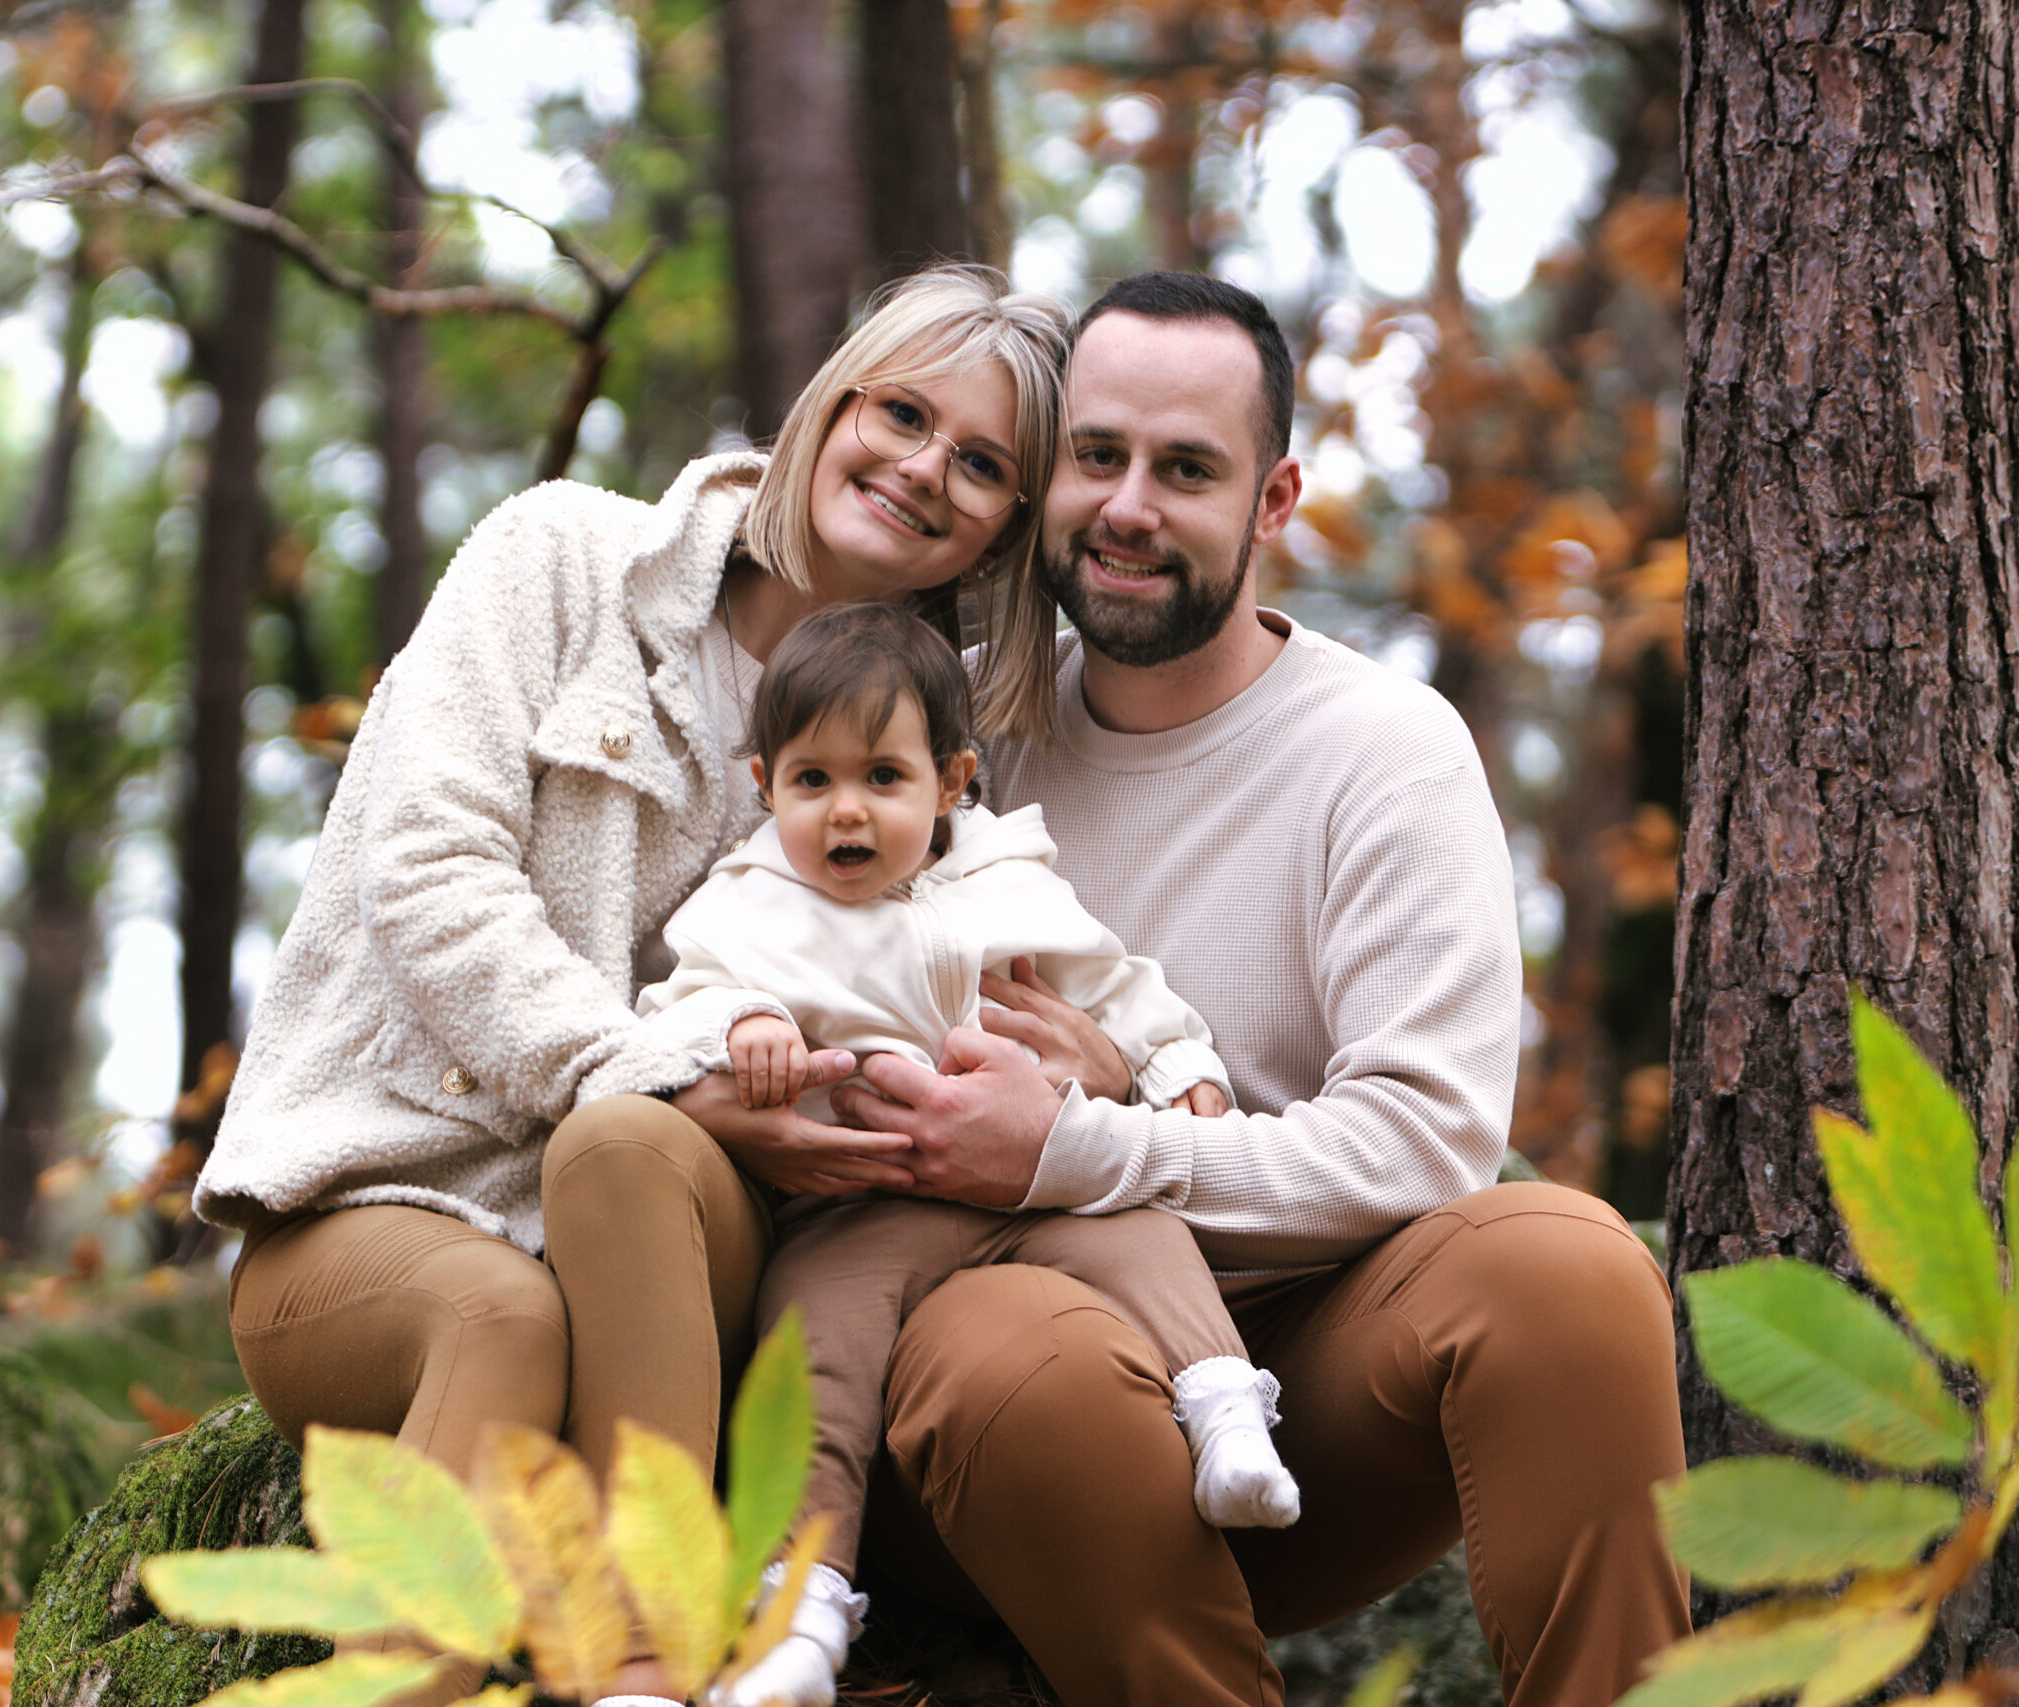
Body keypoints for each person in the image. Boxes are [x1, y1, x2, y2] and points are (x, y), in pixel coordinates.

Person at [675, 272, 1691, 1707]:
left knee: (1567, 1268)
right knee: (1018, 1357)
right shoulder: (950, 734)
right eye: (1095, 457)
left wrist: (1087, 1137)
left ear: (1272, 501)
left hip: (1285, 1393)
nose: (1127, 507)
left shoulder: (1382, 750)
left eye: (1186, 469)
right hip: (971, 1405)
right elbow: (779, 968)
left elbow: (1425, 1142)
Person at [193, 266, 1072, 1702]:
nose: (924, 469)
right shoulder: (559, 559)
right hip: (381, 1201)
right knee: (506, 1308)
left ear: (1007, 527)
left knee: (622, 1148)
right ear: (830, 403)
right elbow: (428, 865)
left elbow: (979, 991)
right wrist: (658, 1073)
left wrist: (1094, 1052)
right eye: (902, 412)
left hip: (691, 1242)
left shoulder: (954, 751)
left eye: (982, 464)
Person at [634, 598, 1296, 1707]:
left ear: (950, 783)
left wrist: (1181, 1067)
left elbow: (1112, 986)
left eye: (881, 780)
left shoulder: (1011, 880)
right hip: (866, 1203)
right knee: (814, 1357)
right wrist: (737, 1027)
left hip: (1040, 1191)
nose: (845, 812)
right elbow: (673, 1013)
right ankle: (801, 1609)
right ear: (764, 785)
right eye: (811, 782)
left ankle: (1227, 1412)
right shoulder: (746, 908)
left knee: (1146, 1237)